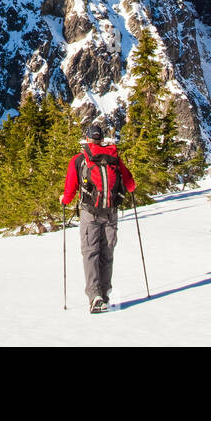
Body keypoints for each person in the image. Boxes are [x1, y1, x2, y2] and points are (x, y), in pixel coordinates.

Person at [60, 122, 136, 313]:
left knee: (91, 253)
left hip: (90, 213)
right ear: (101, 139)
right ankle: (105, 294)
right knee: (107, 253)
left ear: (87, 139)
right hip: (110, 212)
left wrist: (64, 199)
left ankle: (95, 297)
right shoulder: (113, 158)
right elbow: (131, 185)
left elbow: (69, 190)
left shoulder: (79, 160)